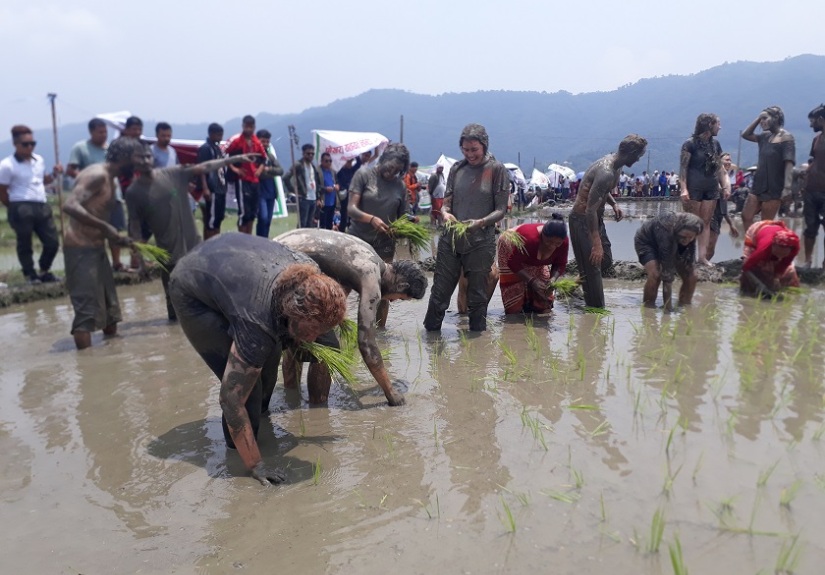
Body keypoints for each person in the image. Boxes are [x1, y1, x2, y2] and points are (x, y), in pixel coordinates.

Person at [168, 233, 347, 486]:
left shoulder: (311, 277)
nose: (316, 338)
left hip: (233, 261)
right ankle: (237, 451)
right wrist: (257, 465)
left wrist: (308, 337)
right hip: (193, 291)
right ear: (293, 315)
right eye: (313, 330)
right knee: (246, 392)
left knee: (268, 362)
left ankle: (258, 423)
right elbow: (230, 399)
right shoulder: (258, 321)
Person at [274, 229, 428, 406]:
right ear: (401, 284)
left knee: (298, 333)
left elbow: (339, 284)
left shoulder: (371, 257)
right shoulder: (371, 280)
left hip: (280, 251)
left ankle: (291, 395)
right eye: (400, 298)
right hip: (283, 260)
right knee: (329, 347)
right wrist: (390, 392)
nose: (392, 301)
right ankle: (319, 409)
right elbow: (367, 345)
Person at [126, 144, 258, 320]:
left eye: (147, 156)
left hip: (193, 247)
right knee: (173, 303)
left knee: (202, 295)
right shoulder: (134, 192)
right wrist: (140, 261)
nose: (145, 160)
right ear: (132, 162)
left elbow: (204, 167)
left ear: (152, 158)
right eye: (139, 157)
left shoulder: (173, 174)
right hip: (167, 254)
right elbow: (134, 229)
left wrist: (233, 159)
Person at [423, 124, 509, 332]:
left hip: (480, 241)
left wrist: (480, 223)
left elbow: (501, 210)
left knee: (478, 293)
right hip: (451, 238)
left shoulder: (496, 170)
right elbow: (447, 201)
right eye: (465, 149)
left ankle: (476, 340)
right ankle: (431, 336)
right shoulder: (457, 169)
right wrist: (445, 213)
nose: (470, 154)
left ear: (484, 146)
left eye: (474, 150)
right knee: (440, 291)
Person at [62, 137, 145, 349]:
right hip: (80, 250)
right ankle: (87, 370)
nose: (139, 164)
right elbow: (71, 205)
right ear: (124, 157)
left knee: (111, 313)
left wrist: (118, 237)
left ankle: (112, 363)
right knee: (86, 315)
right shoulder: (97, 175)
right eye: (136, 158)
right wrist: (105, 227)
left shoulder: (111, 178)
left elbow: (95, 210)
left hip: (97, 249)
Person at [569, 134, 647, 309]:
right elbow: (589, 209)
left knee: (605, 261)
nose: (638, 159)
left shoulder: (616, 167)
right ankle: (594, 315)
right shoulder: (606, 171)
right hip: (582, 221)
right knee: (595, 267)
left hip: (596, 219)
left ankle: (572, 288)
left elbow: (601, 191)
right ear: (631, 153)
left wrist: (614, 204)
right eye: (639, 155)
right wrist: (596, 244)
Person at [347, 143, 412, 327]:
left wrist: (404, 225)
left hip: (384, 244)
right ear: (383, 159)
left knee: (383, 289)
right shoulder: (364, 175)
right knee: (349, 285)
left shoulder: (400, 186)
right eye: (390, 167)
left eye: (397, 170)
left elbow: (403, 215)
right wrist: (371, 219)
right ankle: (342, 327)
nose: (392, 173)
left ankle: (379, 333)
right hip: (358, 241)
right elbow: (351, 209)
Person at [0, 125, 62, 284]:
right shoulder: (7, 165)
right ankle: (30, 275)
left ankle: (44, 270)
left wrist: (55, 173)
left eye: (32, 144)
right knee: (24, 242)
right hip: (20, 204)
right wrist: (13, 207)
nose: (30, 147)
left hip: (41, 204)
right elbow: (2, 190)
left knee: (52, 242)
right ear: (15, 144)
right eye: (25, 144)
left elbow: (44, 180)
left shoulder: (39, 160)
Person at [66, 118, 128, 272]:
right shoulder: (81, 148)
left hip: (113, 196)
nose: (103, 135)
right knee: (97, 229)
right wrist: (87, 180)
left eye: (105, 132)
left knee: (115, 230)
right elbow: (71, 170)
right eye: (100, 132)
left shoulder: (110, 149)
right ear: (91, 132)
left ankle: (116, 262)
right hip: (91, 196)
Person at [679, 113, 728, 265]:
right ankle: (685, 256)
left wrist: (725, 186)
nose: (720, 127)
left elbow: (720, 168)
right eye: (717, 124)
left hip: (711, 188)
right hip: (694, 188)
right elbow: (683, 168)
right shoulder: (690, 144)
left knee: (705, 222)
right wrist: (684, 189)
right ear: (709, 125)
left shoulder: (716, 144)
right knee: (691, 223)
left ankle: (701, 258)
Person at [497, 214, 569, 315]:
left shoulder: (563, 242)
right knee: (515, 300)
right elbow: (513, 263)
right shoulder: (530, 240)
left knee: (544, 296)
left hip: (532, 254)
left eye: (557, 243)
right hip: (510, 245)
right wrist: (532, 281)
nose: (552, 246)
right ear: (542, 236)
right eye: (549, 242)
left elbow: (560, 264)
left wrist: (553, 280)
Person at [741, 106, 796, 232]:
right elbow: (746, 134)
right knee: (746, 216)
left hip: (774, 187)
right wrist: (759, 118)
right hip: (758, 184)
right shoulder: (764, 136)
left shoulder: (786, 138)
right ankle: (752, 244)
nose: (762, 121)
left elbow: (789, 163)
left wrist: (787, 188)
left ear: (776, 118)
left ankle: (762, 248)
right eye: (761, 119)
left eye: (765, 118)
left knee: (765, 224)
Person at [634, 212, 704, 310]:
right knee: (656, 274)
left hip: (674, 240)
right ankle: (648, 308)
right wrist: (668, 309)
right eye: (684, 237)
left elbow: (690, 260)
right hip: (647, 242)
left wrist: (689, 268)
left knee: (692, 275)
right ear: (678, 229)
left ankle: (684, 305)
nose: (687, 241)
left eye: (691, 238)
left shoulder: (691, 231)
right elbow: (667, 273)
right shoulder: (665, 227)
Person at [225, 115, 267, 234]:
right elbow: (223, 155)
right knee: (244, 212)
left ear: (254, 127)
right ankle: (242, 239)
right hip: (242, 180)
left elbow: (264, 159)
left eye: (251, 127)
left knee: (252, 213)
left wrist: (259, 170)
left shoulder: (257, 141)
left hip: (255, 181)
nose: (249, 129)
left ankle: (248, 238)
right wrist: (235, 169)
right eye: (246, 127)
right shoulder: (236, 140)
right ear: (243, 126)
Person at [739, 220, 800, 298]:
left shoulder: (794, 247)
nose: (780, 257)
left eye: (783, 254)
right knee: (758, 268)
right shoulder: (763, 249)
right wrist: (759, 285)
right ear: (773, 246)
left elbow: (785, 263)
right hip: (756, 231)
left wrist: (776, 277)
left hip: (776, 231)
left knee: (789, 272)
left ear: (790, 250)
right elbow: (745, 267)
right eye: (778, 253)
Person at [802, 103, 825, 267]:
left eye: (813, 121)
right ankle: (808, 261)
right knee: (810, 228)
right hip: (811, 190)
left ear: (821, 120)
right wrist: (805, 173)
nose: (811, 125)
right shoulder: (817, 139)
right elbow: (815, 161)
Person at [196, 123, 227, 240]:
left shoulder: (217, 148)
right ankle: (209, 246)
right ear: (211, 134)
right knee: (211, 220)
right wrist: (205, 188)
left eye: (221, 135)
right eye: (218, 135)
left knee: (218, 218)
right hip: (212, 188)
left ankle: (217, 243)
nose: (220, 137)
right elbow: (202, 169)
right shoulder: (206, 149)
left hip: (220, 187)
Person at [283, 143, 322, 228]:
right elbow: (286, 177)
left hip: (313, 198)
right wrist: (294, 191)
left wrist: (318, 197)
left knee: (310, 223)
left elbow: (317, 182)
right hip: (304, 198)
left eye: (312, 154)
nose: (310, 155)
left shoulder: (313, 166)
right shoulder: (298, 165)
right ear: (303, 153)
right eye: (308, 153)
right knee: (302, 223)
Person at [254, 129, 284, 238]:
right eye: (263, 141)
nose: (265, 144)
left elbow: (280, 170)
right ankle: (259, 240)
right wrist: (268, 171)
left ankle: (265, 241)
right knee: (263, 217)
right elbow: (257, 174)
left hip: (271, 191)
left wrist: (268, 169)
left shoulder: (270, 156)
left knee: (268, 220)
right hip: (260, 190)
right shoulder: (254, 156)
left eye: (267, 142)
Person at [318, 152, 339, 230]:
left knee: (330, 223)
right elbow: (316, 186)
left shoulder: (333, 172)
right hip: (323, 201)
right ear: (322, 161)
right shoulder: (318, 171)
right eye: (326, 161)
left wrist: (337, 186)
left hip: (332, 201)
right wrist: (325, 189)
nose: (329, 163)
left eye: (330, 161)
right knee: (322, 224)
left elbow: (337, 182)